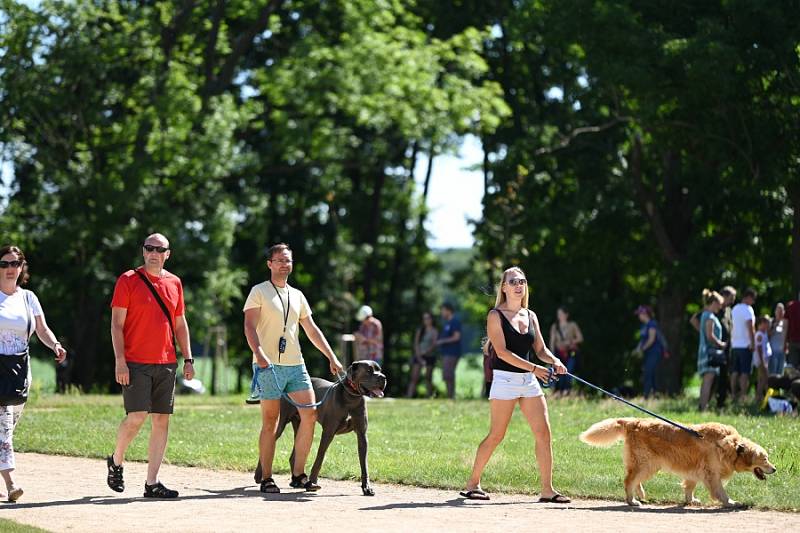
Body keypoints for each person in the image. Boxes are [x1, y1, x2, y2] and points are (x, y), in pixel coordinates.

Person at [460, 267, 569, 502]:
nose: (519, 285)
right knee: (497, 435)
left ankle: (547, 490)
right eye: (513, 281)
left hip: (528, 381)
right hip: (505, 380)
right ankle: (472, 484)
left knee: (544, 434)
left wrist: (555, 360)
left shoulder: (530, 315)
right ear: (504, 287)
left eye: (522, 281)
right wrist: (536, 369)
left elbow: (539, 349)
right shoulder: (495, 316)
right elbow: (502, 352)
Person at [244, 243, 343, 494]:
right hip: (268, 366)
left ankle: (299, 475)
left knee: (309, 416)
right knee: (271, 422)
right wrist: (260, 355)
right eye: (278, 260)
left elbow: (311, 329)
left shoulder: (297, 295)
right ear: (269, 264)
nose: (284, 264)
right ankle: (266, 478)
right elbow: (249, 327)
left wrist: (331, 356)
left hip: (296, 365)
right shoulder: (259, 292)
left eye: (287, 260)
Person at [106, 233, 194, 498]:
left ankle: (152, 483)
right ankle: (116, 460)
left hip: (166, 362)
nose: (154, 252)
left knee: (161, 420)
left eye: (160, 249)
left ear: (168, 253)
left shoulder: (175, 282)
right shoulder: (128, 280)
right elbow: (116, 324)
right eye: (149, 248)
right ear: (143, 251)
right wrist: (120, 361)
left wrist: (188, 358)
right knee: (136, 417)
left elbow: (179, 323)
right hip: (135, 362)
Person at [0, 245, 67, 503]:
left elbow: (42, 329)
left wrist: (56, 345)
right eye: (4, 264)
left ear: (22, 267)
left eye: (14, 264)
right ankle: (11, 483)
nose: (9, 269)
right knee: (3, 428)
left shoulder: (28, 298)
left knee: (8, 427)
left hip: (19, 372)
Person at [697, 290, 725, 411]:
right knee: (708, 380)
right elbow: (710, 335)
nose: (720, 307)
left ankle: (703, 406)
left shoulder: (705, 315)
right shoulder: (709, 316)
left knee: (707, 380)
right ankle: (703, 407)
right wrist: (721, 344)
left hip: (705, 351)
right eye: (719, 304)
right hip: (710, 352)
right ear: (714, 302)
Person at [548, 306, 583, 396]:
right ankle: (559, 394)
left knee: (568, 373)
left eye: (561, 314)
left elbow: (580, 338)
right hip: (558, 354)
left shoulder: (572, 325)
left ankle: (567, 393)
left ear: (566, 315)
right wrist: (551, 357)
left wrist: (570, 342)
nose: (559, 316)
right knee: (559, 375)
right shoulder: (555, 327)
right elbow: (552, 342)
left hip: (570, 353)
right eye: (558, 314)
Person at [730, 288, 757, 402]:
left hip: (735, 344)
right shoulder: (748, 309)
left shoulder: (734, 308)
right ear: (748, 297)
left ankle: (733, 394)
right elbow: (750, 327)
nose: (754, 302)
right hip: (746, 345)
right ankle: (743, 396)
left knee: (735, 372)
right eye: (753, 299)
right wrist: (753, 343)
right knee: (745, 372)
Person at [634, 305, 665, 399]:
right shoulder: (643, 326)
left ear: (645, 314)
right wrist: (637, 349)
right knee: (648, 373)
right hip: (648, 353)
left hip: (655, 352)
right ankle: (651, 395)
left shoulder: (652, 324)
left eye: (639, 314)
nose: (638, 316)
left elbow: (651, 339)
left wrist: (641, 349)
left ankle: (649, 396)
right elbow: (643, 340)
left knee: (650, 372)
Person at [406, 312, 437, 398]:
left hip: (430, 356)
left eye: (428, 318)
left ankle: (429, 395)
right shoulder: (420, 330)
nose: (426, 320)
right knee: (414, 377)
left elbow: (434, 345)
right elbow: (416, 343)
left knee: (428, 377)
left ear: (431, 319)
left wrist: (426, 352)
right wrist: (419, 355)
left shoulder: (434, 331)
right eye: (424, 319)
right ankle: (409, 395)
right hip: (418, 355)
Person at [436, 302, 462, 399]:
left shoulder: (454, 322)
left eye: (442, 311)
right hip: (446, 353)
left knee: (448, 374)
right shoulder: (447, 323)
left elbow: (456, 337)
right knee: (447, 374)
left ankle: (451, 396)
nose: (441, 313)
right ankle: (449, 396)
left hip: (452, 352)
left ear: (448, 310)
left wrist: (442, 341)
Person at [753, 316, 772, 404]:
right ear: (762, 323)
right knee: (764, 378)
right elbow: (759, 349)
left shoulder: (764, 333)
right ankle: (759, 396)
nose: (768, 325)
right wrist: (762, 361)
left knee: (762, 378)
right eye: (767, 323)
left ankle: (761, 397)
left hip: (764, 359)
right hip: (761, 360)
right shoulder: (759, 334)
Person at [769, 303, 787, 376]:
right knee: (772, 372)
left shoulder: (785, 322)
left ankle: (778, 387)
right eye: (778, 311)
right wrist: (775, 325)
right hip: (772, 350)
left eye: (781, 311)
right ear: (775, 312)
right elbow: (768, 335)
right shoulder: (771, 321)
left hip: (782, 350)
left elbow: (786, 335)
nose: (780, 313)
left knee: (780, 372)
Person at [785, 291, 800, 369]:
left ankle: (794, 381)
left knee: (793, 367)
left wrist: (785, 341)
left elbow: (786, 325)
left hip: (792, 340)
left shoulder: (790, 306)